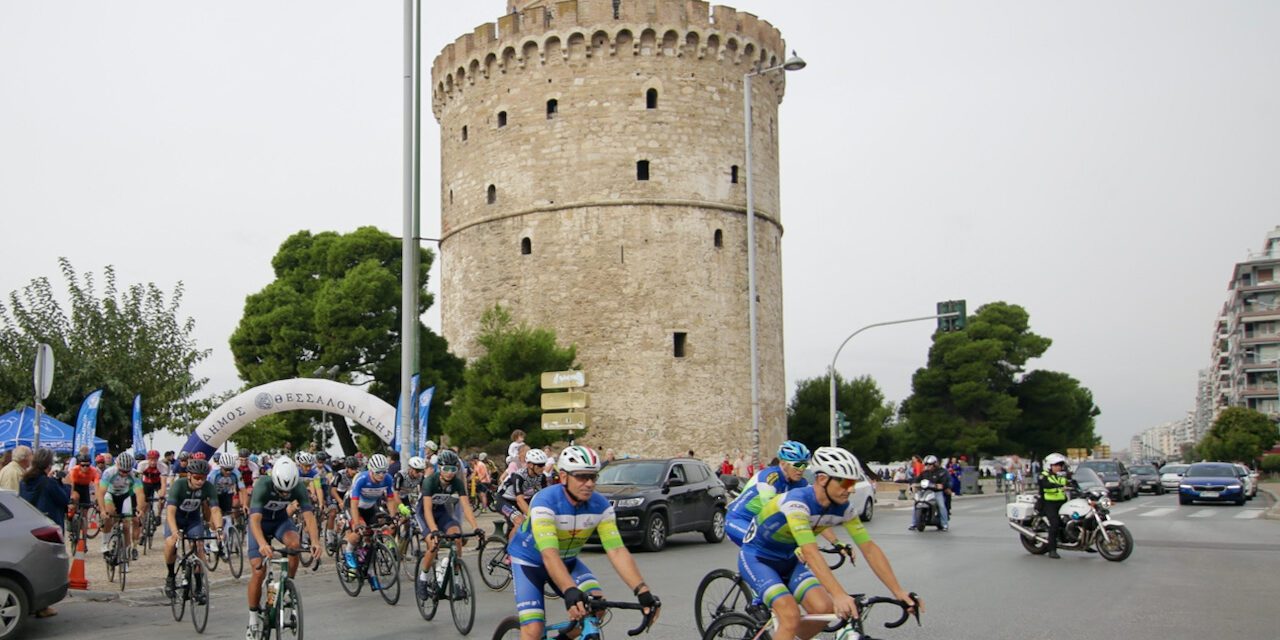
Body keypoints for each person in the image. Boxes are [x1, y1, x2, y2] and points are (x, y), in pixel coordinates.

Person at [740, 447, 919, 640]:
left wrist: (898, 591)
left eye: (854, 482)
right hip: (758, 559)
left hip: (789, 560)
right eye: (845, 483)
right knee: (790, 617)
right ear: (823, 479)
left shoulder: (844, 508)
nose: (851, 489)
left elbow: (869, 549)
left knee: (823, 610)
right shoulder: (796, 503)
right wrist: (839, 594)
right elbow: (810, 552)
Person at [507, 445, 660, 640]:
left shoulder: (600, 505)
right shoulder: (545, 501)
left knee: (596, 607)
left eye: (593, 477)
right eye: (581, 476)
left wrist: (642, 591)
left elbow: (617, 551)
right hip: (530, 563)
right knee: (534, 630)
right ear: (563, 477)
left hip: (567, 561)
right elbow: (549, 553)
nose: (588, 483)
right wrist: (569, 589)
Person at [245, 457, 319, 639]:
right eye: (281, 491)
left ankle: (288, 586)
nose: (285, 495)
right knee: (258, 570)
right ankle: (253, 617)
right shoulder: (263, 485)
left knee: (295, 545)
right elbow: (254, 520)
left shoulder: (299, 487)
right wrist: (262, 544)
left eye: (288, 492)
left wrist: (316, 541)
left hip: (280, 522)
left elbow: (309, 516)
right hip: (260, 524)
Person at [726, 441, 846, 552]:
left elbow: (816, 516)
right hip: (739, 520)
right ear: (783, 463)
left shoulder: (801, 483)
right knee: (763, 548)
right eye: (797, 465)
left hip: (760, 523)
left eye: (805, 465)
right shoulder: (769, 478)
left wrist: (836, 542)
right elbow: (772, 512)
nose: (801, 469)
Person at [416, 449, 483, 599]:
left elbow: (466, 506)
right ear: (440, 468)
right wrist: (434, 530)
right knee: (434, 543)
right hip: (424, 513)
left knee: (457, 537)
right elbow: (426, 510)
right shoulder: (430, 481)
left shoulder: (457, 483)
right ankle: (423, 578)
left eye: (453, 469)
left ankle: (457, 582)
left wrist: (475, 527)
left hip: (441, 512)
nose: (450, 473)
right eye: (446, 469)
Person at [163, 457, 221, 600]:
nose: (200, 481)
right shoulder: (179, 486)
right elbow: (170, 512)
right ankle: (170, 576)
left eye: (203, 478)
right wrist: (175, 531)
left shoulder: (208, 487)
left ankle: (199, 587)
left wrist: (219, 529)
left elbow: (215, 510)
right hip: (176, 518)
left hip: (193, 520)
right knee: (171, 544)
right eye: (197, 477)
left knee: (199, 546)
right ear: (189, 475)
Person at [19, 448, 67, 618]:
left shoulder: (24, 481)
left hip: (28, 527)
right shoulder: (49, 483)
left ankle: (31, 603)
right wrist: (63, 483)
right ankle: (43, 606)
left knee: (30, 565)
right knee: (47, 567)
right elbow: (64, 500)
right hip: (47, 529)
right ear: (48, 465)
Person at [342, 453, 401, 570]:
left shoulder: (388, 479)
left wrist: (392, 516)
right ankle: (348, 550)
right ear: (371, 470)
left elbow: (390, 499)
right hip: (353, 506)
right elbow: (354, 503)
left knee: (372, 533)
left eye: (384, 471)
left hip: (369, 506)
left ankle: (364, 554)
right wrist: (357, 524)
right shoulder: (361, 479)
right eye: (378, 472)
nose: (381, 475)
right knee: (360, 532)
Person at [496, 447, 549, 542]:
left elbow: (545, 496)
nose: (543, 468)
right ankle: (510, 552)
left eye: (544, 465)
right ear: (530, 465)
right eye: (540, 465)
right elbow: (520, 500)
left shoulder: (541, 476)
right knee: (520, 522)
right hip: (504, 500)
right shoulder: (519, 476)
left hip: (523, 499)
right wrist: (533, 516)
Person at [98, 452, 145, 558]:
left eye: (127, 471)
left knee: (126, 525)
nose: (124, 474)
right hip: (110, 494)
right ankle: (105, 544)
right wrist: (102, 510)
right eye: (122, 471)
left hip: (125, 495)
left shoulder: (135, 473)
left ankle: (126, 552)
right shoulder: (109, 472)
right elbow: (101, 493)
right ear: (117, 465)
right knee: (109, 515)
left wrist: (140, 508)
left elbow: (140, 493)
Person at [208, 453, 246, 550]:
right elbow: (208, 491)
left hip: (227, 494)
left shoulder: (236, 472)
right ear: (221, 467)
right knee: (215, 513)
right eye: (226, 469)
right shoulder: (213, 474)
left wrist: (245, 504)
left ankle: (227, 538)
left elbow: (242, 489)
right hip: (214, 494)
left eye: (231, 469)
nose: (229, 472)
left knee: (228, 515)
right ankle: (213, 538)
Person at [1037, 453, 1071, 559]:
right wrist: (1059, 486)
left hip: (1062, 503)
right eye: (1056, 465)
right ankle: (1052, 549)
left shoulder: (1059, 476)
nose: (1058, 467)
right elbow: (1046, 485)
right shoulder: (1043, 475)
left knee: (1073, 519)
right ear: (1049, 465)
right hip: (1048, 504)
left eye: (1060, 465)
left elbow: (1068, 482)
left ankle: (1084, 543)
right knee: (1055, 524)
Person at [910, 455, 951, 532]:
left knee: (941, 505)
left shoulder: (941, 472)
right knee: (916, 504)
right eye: (926, 464)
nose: (928, 466)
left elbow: (945, 482)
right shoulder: (924, 473)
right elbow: (917, 480)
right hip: (925, 492)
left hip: (936, 492)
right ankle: (913, 523)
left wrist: (941, 485)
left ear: (935, 464)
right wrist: (914, 485)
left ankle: (944, 524)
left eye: (930, 464)